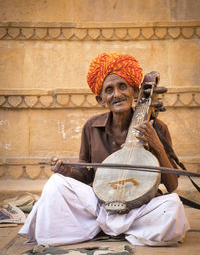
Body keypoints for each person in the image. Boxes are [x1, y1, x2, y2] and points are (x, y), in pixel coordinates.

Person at [19, 53, 190, 247]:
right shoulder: (91, 127)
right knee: (55, 184)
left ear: (135, 91)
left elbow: (172, 185)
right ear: (100, 99)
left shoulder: (157, 128)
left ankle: (99, 229)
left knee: (173, 206)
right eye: (109, 90)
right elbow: (84, 173)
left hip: (140, 208)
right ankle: (124, 230)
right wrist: (67, 171)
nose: (117, 94)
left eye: (122, 86)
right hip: (99, 206)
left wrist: (158, 146)